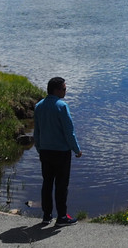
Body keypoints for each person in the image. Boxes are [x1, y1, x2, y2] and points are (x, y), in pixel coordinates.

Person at [33, 76, 82, 226]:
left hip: (45, 152)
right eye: (64, 89)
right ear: (56, 90)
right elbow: (69, 131)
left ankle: (46, 215)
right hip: (61, 152)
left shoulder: (39, 106)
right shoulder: (62, 106)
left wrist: (39, 148)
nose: (65, 91)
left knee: (47, 183)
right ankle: (61, 217)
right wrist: (76, 149)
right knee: (61, 185)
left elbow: (37, 132)